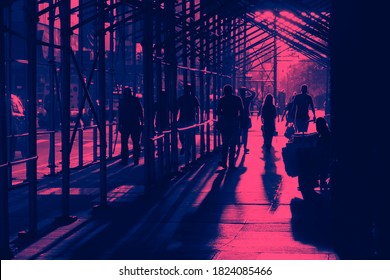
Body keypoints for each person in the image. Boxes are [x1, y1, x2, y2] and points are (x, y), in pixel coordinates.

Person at [217, 84, 244, 169]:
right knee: (233, 144)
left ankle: (224, 162)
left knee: (225, 144)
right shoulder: (237, 99)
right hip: (234, 123)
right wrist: (240, 121)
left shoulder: (222, 100)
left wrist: (224, 115)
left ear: (224, 91)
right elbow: (242, 111)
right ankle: (231, 163)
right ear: (232, 91)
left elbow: (218, 111)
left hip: (225, 123)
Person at [118, 87, 144, 166]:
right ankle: (136, 158)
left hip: (126, 124)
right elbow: (140, 112)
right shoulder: (135, 100)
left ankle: (125, 159)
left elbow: (120, 114)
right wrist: (142, 122)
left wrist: (120, 125)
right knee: (136, 142)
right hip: (134, 123)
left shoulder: (122, 101)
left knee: (124, 142)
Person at [176, 83, 200, 156]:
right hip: (191, 119)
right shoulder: (194, 98)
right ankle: (187, 148)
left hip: (183, 118)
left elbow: (177, 109)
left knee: (181, 134)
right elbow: (197, 109)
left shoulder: (181, 98)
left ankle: (184, 146)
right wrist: (197, 118)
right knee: (189, 135)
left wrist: (175, 119)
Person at [315, 117, 332, 190]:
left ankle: (322, 181)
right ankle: (322, 181)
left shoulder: (323, 135)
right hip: (326, 155)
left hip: (325, 155)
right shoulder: (326, 132)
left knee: (323, 167)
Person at [239, 87, 257, 153]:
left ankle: (238, 147)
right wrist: (248, 89)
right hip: (246, 117)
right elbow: (254, 94)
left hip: (239, 118)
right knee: (245, 133)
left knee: (238, 132)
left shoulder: (238, 99)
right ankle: (245, 147)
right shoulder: (247, 99)